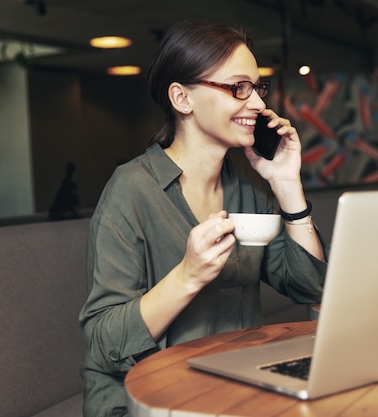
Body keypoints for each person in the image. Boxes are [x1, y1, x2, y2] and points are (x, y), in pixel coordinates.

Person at [79, 19, 328, 417]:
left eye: (258, 88)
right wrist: (188, 275)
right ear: (182, 98)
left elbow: (310, 287)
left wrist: (287, 186)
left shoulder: (246, 186)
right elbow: (104, 345)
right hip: (147, 399)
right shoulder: (131, 190)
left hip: (230, 386)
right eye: (238, 88)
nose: (260, 105)